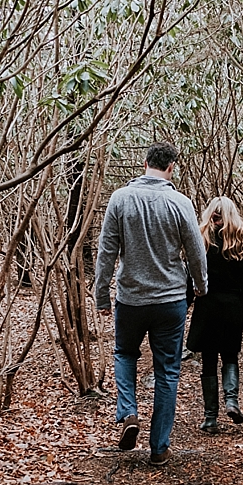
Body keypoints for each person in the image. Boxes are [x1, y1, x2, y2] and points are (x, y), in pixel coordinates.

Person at [94, 142, 208, 465]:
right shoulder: (180, 203)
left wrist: (102, 296)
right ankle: (159, 448)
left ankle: (129, 411)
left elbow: (106, 254)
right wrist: (200, 287)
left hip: (130, 299)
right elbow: (196, 252)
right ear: (171, 167)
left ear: (144, 163)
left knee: (125, 353)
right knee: (167, 371)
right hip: (170, 300)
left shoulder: (119, 200)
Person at [185, 196, 243, 433]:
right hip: (234, 307)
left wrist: (185, 304)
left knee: (209, 360)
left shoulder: (201, 237)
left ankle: (210, 418)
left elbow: (191, 276)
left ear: (211, 213)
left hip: (207, 305)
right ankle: (231, 402)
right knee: (230, 355)